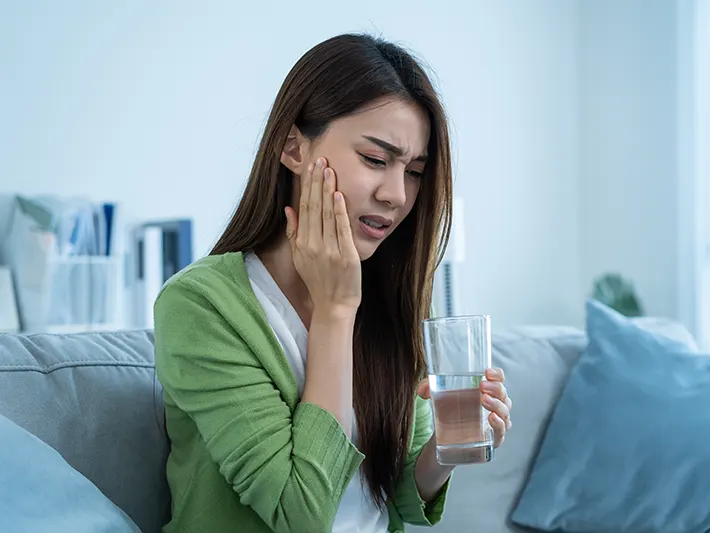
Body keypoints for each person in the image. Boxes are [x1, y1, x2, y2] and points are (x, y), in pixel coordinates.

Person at [153, 33, 513, 533]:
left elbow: (402, 501)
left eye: (414, 171)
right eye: (375, 159)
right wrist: (336, 311)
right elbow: (301, 516)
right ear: (293, 148)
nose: (396, 195)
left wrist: (447, 448)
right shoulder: (200, 305)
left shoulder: (393, 295)